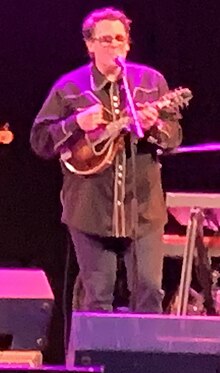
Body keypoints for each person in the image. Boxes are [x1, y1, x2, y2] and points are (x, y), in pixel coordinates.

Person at [30, 7, 182, 313]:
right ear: (90, 45)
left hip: (143, 212)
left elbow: (174, 137)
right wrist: (76, 124)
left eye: (119, 39)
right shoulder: (70, 87)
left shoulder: (151, 82)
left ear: (127, 44)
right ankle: (98, 362)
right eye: (105, 39)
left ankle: (146, 360)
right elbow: (40, 141)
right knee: (98, 298)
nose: (113, 45)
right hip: (90, 211)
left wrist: (155, 127)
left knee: (149, 291)